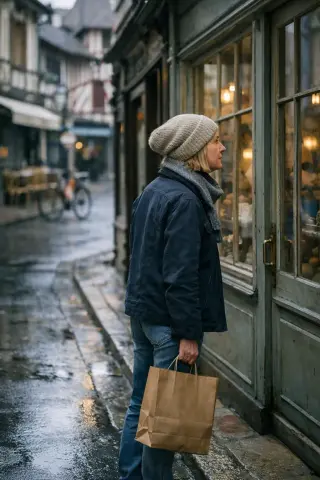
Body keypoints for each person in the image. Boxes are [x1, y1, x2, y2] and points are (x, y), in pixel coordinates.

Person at [119, 114, 228, 480]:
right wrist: (188, 333)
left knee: (141, 403)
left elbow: (143, 259)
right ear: (195, 150)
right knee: (163, 414)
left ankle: (131, 476)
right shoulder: (185, 199)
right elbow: (180, 276)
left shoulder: (154, 190)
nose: (223, 147)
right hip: (168, 323)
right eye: (216, 141)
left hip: (145, 315)